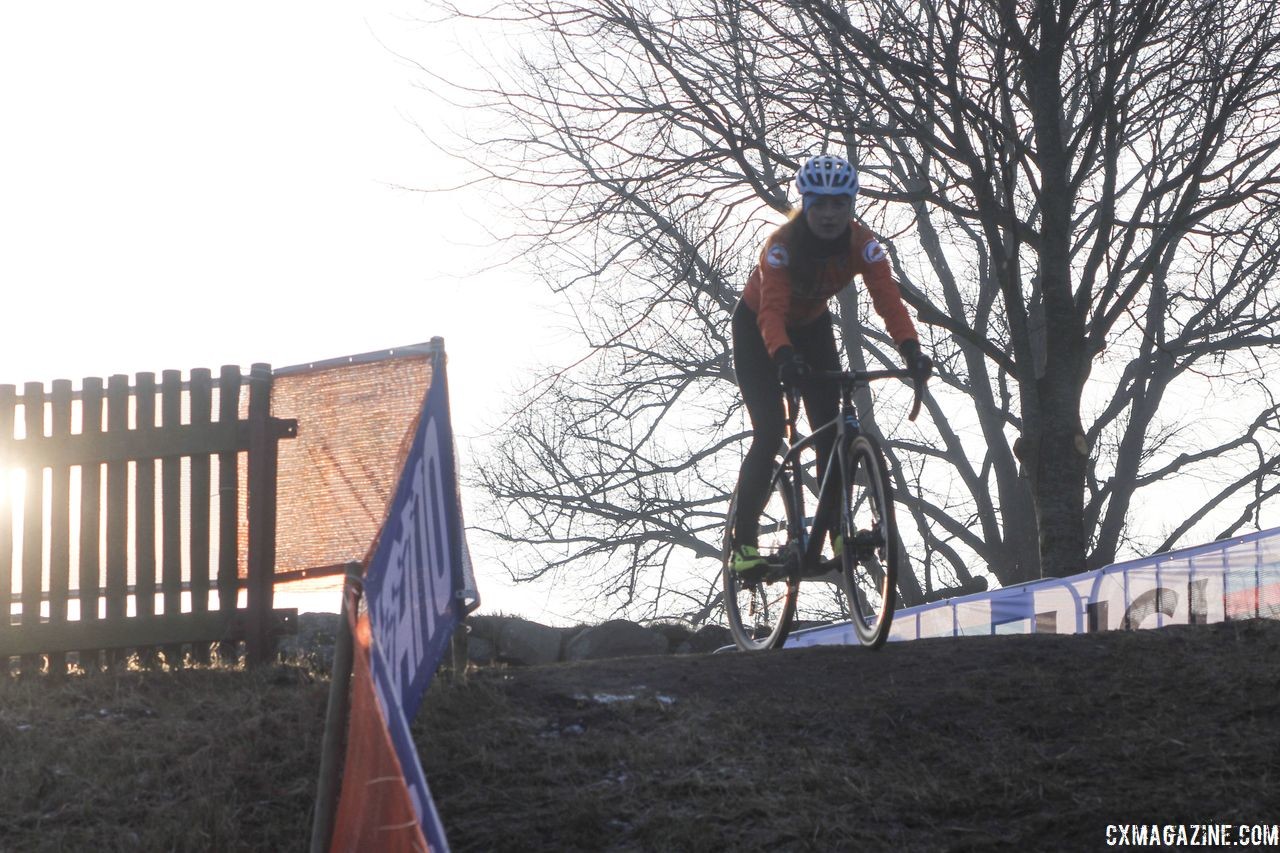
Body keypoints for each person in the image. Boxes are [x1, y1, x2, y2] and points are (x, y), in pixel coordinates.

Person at [730, 153, 932, 573]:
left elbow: (887, 299)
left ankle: (838, 529)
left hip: (813, 328)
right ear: (805, 203)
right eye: (818, 203)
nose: (828, 214)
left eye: (838, 203)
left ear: (851, 204)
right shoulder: (782, 247)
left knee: (829, 432)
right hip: (758, 330)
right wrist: (783, 357)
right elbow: (771, 312)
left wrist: (910, 348)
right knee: (769, 433)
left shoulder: (863, 245)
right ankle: (742, 546)